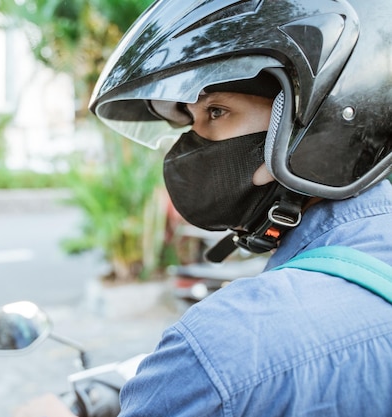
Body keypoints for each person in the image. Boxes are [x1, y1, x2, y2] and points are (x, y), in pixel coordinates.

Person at [89, 0, 392, 415]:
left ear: (315, 125)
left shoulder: (222, 345)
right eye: (189, 121)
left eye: (216, 111)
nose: (189, 147)